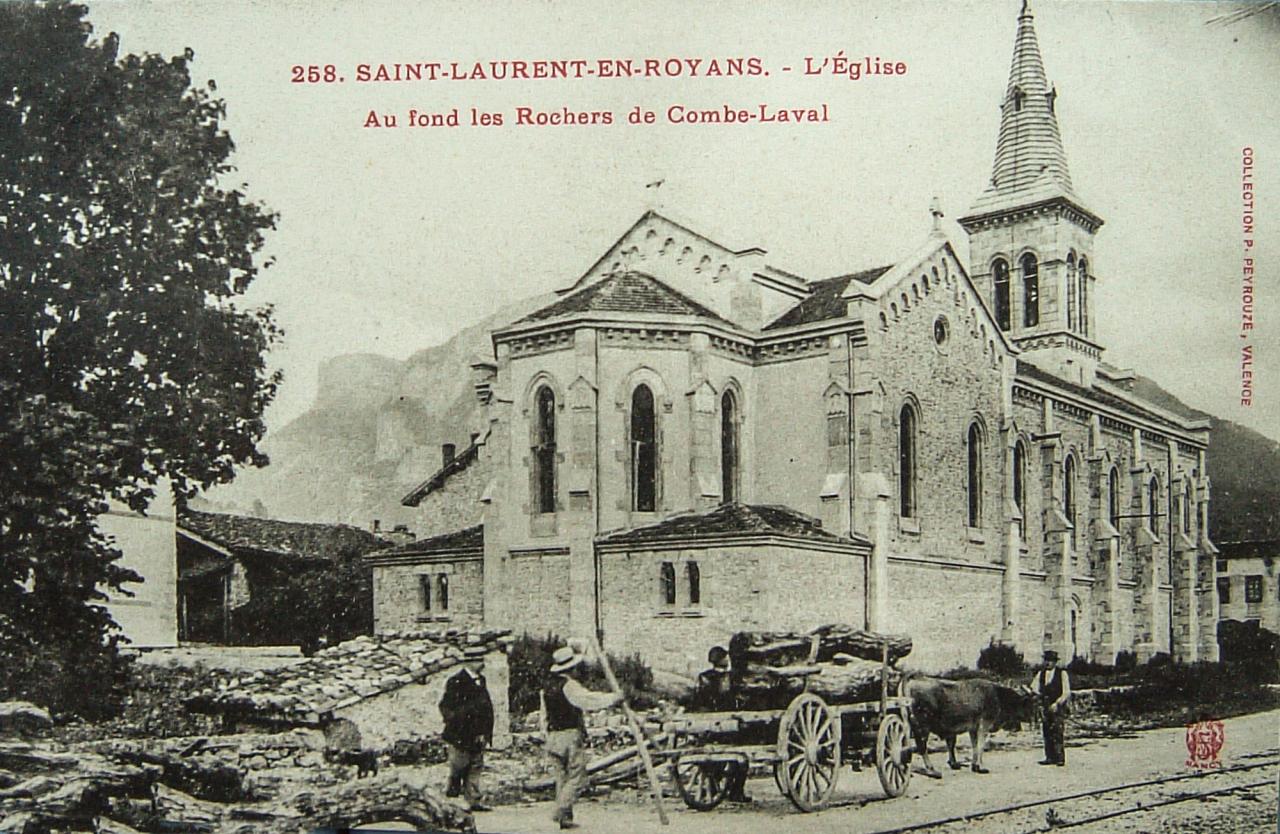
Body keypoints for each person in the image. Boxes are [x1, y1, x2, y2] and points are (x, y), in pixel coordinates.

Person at [542, 645, 622, 830]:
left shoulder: (547, 687)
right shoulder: (570, 686)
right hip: (569, 735)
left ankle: (565, 819)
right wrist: (614, 698)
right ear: (572, 668)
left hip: (553, 736)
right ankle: (560, 811)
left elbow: (544, 714)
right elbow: (588, 700)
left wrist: (545, 734)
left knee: (562, 778)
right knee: (578, 777)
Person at [438, 646, 495, 810]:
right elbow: (446, 707)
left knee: (476, 766)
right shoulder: (456, 681)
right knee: (459, 767)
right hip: (461, 734)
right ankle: (452, 800)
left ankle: (474, 801)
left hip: (479, 734)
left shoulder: (481, 680)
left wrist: (485, 732)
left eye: (482, 659)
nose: (482, 663)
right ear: (469, 662)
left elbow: (485, 709)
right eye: (478, 660)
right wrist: (459, 722)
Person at [692, 646, 751, 803]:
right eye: (726, 657)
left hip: (708, 726)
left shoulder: (703, 677)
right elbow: (736, 700)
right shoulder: (730, 678)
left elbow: (698, 701)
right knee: (742, 757)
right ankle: (736, 792)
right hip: (728, 726)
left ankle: (713, 788)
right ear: (723, 659)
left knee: (716, 758)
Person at [1031, 649, 1071, 766]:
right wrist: (1038, 697)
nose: (1048, 663)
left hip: (1057, 707)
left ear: (1055, 662)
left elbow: (1066, 692)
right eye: (1046, 660)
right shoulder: (1041, 674)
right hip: (1045, 706)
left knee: (1057, 731)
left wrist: (1057, 703)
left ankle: (1059, 758)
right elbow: (1034, 687)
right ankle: (1049, 757)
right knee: (1046, 731)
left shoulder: (1062, 673)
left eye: (1051, 661)